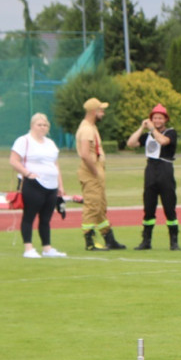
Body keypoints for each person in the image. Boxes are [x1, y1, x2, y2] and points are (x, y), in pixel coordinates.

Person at [8, 113, 66, 259]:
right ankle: (28, 248)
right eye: (39, 125)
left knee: (46, 218)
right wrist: (27, 173)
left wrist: (60, 184)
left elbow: (55, 164)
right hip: (34, 184)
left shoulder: (50, 143)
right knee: (29, 215)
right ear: (32, 125)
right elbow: (14, 160)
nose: (43, 127)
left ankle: (47, 248)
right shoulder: (24, 140)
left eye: (45, 125)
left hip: (51, 185)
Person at [126, 104, 179, 251]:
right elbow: (130, 143)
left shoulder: (171, 132)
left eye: (160, 118)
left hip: (165, 169)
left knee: (169, 206)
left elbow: (163, 141)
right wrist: (141, 128)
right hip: (151, 170)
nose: (157, 120)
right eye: (154, 118)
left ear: (165, 119)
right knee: (149, 207)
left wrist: (152, 129)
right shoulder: (148, 134)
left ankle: (174, 241)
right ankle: (146, 240)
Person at [76, 97, 126, 251]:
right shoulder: (86, 129)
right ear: (93, 111)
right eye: (101, 110)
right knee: (92, 206)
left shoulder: (91, 127)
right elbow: (85, 154)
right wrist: (95, 171)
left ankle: (109, 238)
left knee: (100, 206)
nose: (103, 113)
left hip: (96, 172)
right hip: (91, 172)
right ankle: (90, 242)